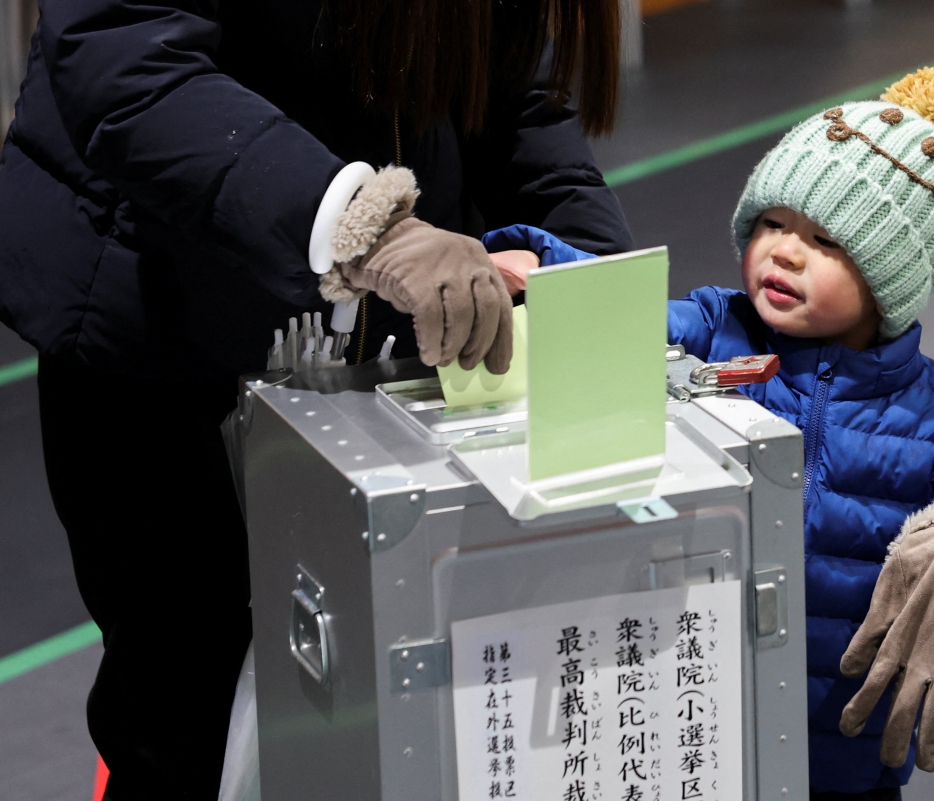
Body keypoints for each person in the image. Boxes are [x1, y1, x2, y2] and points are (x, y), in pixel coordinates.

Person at [0, 0, 632, 797]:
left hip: (369, 356)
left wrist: (604, 287)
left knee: (377, 721)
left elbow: (511, 94)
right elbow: (126, 60)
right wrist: (369, 226)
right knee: (181, 717)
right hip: (158, 326)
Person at [497, 67, 934, 799]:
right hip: (698, 728)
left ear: (891, 277)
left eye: (825, 241)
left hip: (843, 756)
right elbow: (623, 310)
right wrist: (541, 265)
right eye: (773, 223)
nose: (783, 251)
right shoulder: (714, 331)